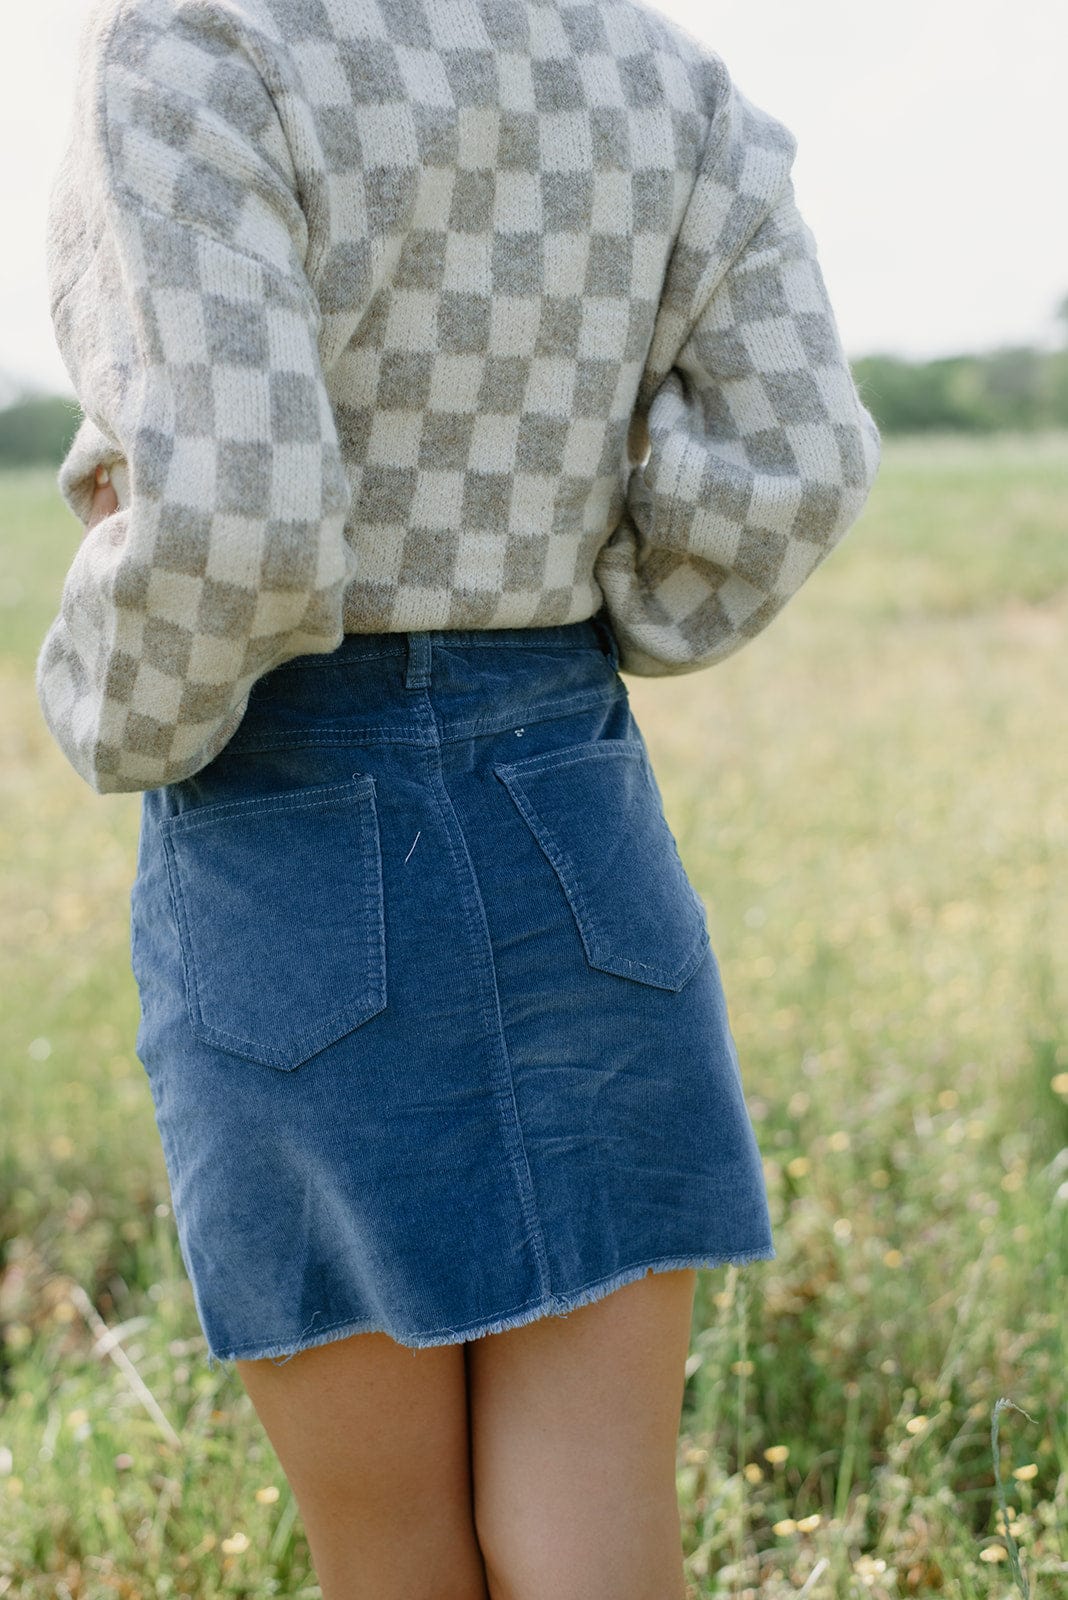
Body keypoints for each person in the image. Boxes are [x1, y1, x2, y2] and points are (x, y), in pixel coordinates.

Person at [38, 0, 881, 1595]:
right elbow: (799, 452)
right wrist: (602, 614)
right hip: (575, 803)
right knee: (600, 1557)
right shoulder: (650, 64)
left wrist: (101, 700)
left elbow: (243, 502)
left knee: (397, 1561)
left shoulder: (196, 39)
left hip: (291, 822)